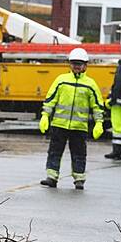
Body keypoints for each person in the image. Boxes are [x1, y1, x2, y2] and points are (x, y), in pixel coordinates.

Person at [38, 47, 104, 190]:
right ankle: (51, 177)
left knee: (79, 154)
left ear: (85, 65)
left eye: (79, 64)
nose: (76, 67)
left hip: (79, 127)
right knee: (55, 152)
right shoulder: (61, 81)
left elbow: (97, 105)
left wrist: (99, 122)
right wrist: (45, 115)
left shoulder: (90, 84)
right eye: (74, 64)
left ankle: (79, 179)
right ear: (69, 64)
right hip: (59, 125)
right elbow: (50, 99)